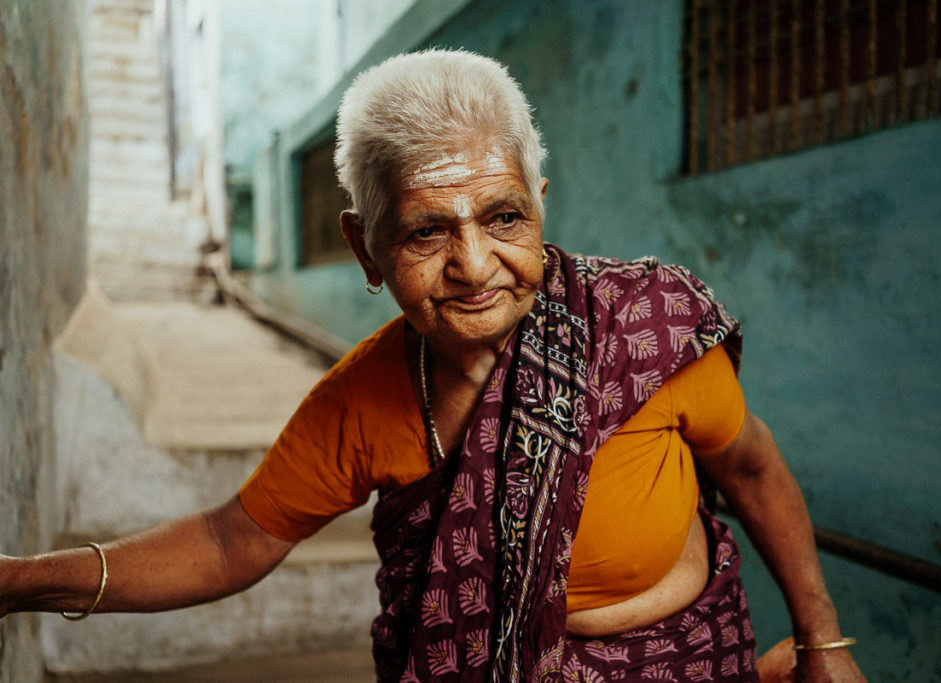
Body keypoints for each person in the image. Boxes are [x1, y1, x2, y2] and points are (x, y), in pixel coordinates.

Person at [1, 49, 864, 682]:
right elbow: (232, 541)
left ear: (539, 206)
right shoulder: (362, 403)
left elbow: (750, 466)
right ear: (364, 248)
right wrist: (22, 582)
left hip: (692, 662)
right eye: (425, 231)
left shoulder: (646, 325)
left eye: (502, 217)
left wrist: (823, 640)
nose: (476, 264)